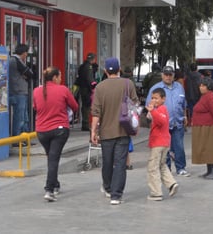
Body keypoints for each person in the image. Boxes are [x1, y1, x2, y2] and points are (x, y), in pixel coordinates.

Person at [91, 57, 139, 205]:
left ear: (105, 71)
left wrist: (93, 131)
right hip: (123, 130)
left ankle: (107, 187)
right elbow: (135, 105)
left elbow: (96, 113)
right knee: (120, 163)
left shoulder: (100, 87)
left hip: (106, 132)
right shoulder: (128, 84)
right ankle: (116, 196)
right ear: (119, 70)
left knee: (107, 162)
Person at [33, 66, 79, 202]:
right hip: (59, 129)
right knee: (53, 158)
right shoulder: (63, 90)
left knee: (51, 157)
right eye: (59, 77)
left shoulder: (36, 91)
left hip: (41, 131)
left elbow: (35, 107)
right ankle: (49, 189)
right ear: (54, 77)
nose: (60, 79)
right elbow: (75, 106)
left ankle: (55, 183)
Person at [145, 65, 190, 177]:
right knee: (165, 148)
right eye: (166, 74)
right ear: (162, 75)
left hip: (177, 122)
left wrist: (185, 116)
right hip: (162, 125)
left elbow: (183, 104)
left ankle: (181, 168)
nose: (168, 77)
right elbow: (149, 106)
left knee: (179, 146)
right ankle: (167, 169)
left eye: (170, 75)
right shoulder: (156, 89)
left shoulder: (179, 87)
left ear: (173, 76)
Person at [145, 87, 179, 201]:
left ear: (163, 99)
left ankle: (156, 193)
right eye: (152, 98)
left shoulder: (162, 109)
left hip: (158, 143)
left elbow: (161, 121)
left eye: (156, 98)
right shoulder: (158, 109)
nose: (154, 100)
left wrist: (153, 111)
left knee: (153, 167)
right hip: (164, 142)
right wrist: (151, 111)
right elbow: (152, 118)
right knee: (162, 165)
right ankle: (171, 184)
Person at [191, 77, 213, 179]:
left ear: (208, 87)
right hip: (202, 126)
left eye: (203, 86)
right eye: (200, 85)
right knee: (205, 148)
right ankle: (209, 171)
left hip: (208, 127)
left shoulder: (210, 97)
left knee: (210, 149)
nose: (200, 87)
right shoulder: (205, 96)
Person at [9, 44, 34, 142]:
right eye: (26, 53)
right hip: (18, 92)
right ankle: (18, 139)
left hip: (18, 92)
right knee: (20, 117)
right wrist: (25, 75)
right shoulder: (16, 61)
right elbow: (30, 74)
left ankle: (24, 138)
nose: (27, 55)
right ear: (24, 53)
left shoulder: (13, 60)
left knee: (23, 116)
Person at [75, 53, 97, 131]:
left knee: (84, 105)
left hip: (82, 88)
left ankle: (85, 123)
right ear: (93, 59)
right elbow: (90, 78)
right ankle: (86, 124)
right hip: (86, 89)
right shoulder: (89, 67)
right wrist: (93, 86)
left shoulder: (82, 66)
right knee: (87, 106)